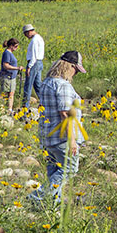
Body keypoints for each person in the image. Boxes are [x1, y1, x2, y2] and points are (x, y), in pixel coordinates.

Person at [29, 51, 86, 206]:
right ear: (70, 67)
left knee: (54, 172)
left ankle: (52, 207)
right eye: (76, 70)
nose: (76, 74)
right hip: (62, 137)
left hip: (47, 136)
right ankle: (36, 197)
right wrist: (72, 140)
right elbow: (65, 114)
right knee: (69, 169)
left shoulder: (47, 82)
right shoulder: (63, 85)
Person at [21, 24, 45, 107]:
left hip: (33, 63)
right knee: (37, 85)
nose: (26, 36)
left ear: (29, 32)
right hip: (39, 62)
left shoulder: (35, 40)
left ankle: (24, 109)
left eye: (26, 34)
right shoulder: (40, 38)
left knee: (28, 86)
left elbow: (34, 55)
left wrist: (29, 67)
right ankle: (45, 104)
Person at [0, 38, 21, 114]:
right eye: (15, 46)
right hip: (6, 76)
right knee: (4, 93)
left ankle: (10, 110)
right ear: (11, 46)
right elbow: (6, 65)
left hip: (11, 76)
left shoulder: (10, 53)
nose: (16, 48)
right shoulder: (7, 53)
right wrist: (17, 68)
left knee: (11, 93)